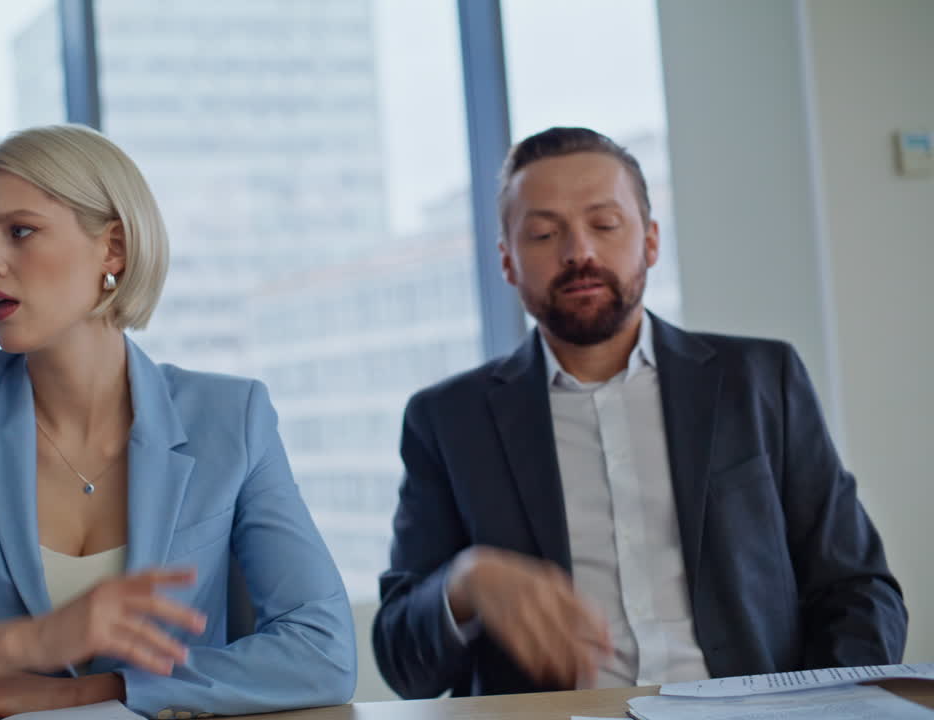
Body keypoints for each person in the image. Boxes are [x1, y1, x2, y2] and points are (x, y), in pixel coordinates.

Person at [0, 124, 355, 720]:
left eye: (20, 232)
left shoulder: (233, 417)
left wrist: (89, 691)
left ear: (114, 249)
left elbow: (323, 652)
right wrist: (34, 642)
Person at [372, 126, 906, 699]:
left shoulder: (759, 380)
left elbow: (858, 589)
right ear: (507, 262)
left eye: (604, 225)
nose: (579, 252)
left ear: (650, 241)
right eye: (545, 232)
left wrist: (830, 710)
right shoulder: (449, 421)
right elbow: (404, 663)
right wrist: (463, 583)